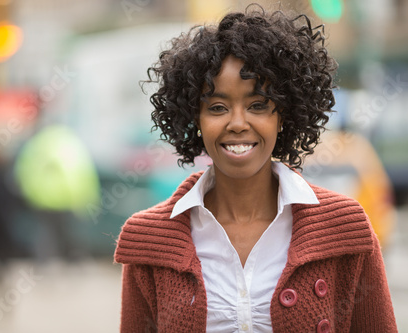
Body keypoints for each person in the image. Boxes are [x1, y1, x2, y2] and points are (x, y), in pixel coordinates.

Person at [114, 6, 397, 333]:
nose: (237, 123)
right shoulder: (149, 239)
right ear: (195, 119)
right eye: (217, 107)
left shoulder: (345, 227)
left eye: (258, 105)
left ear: (284, 115)